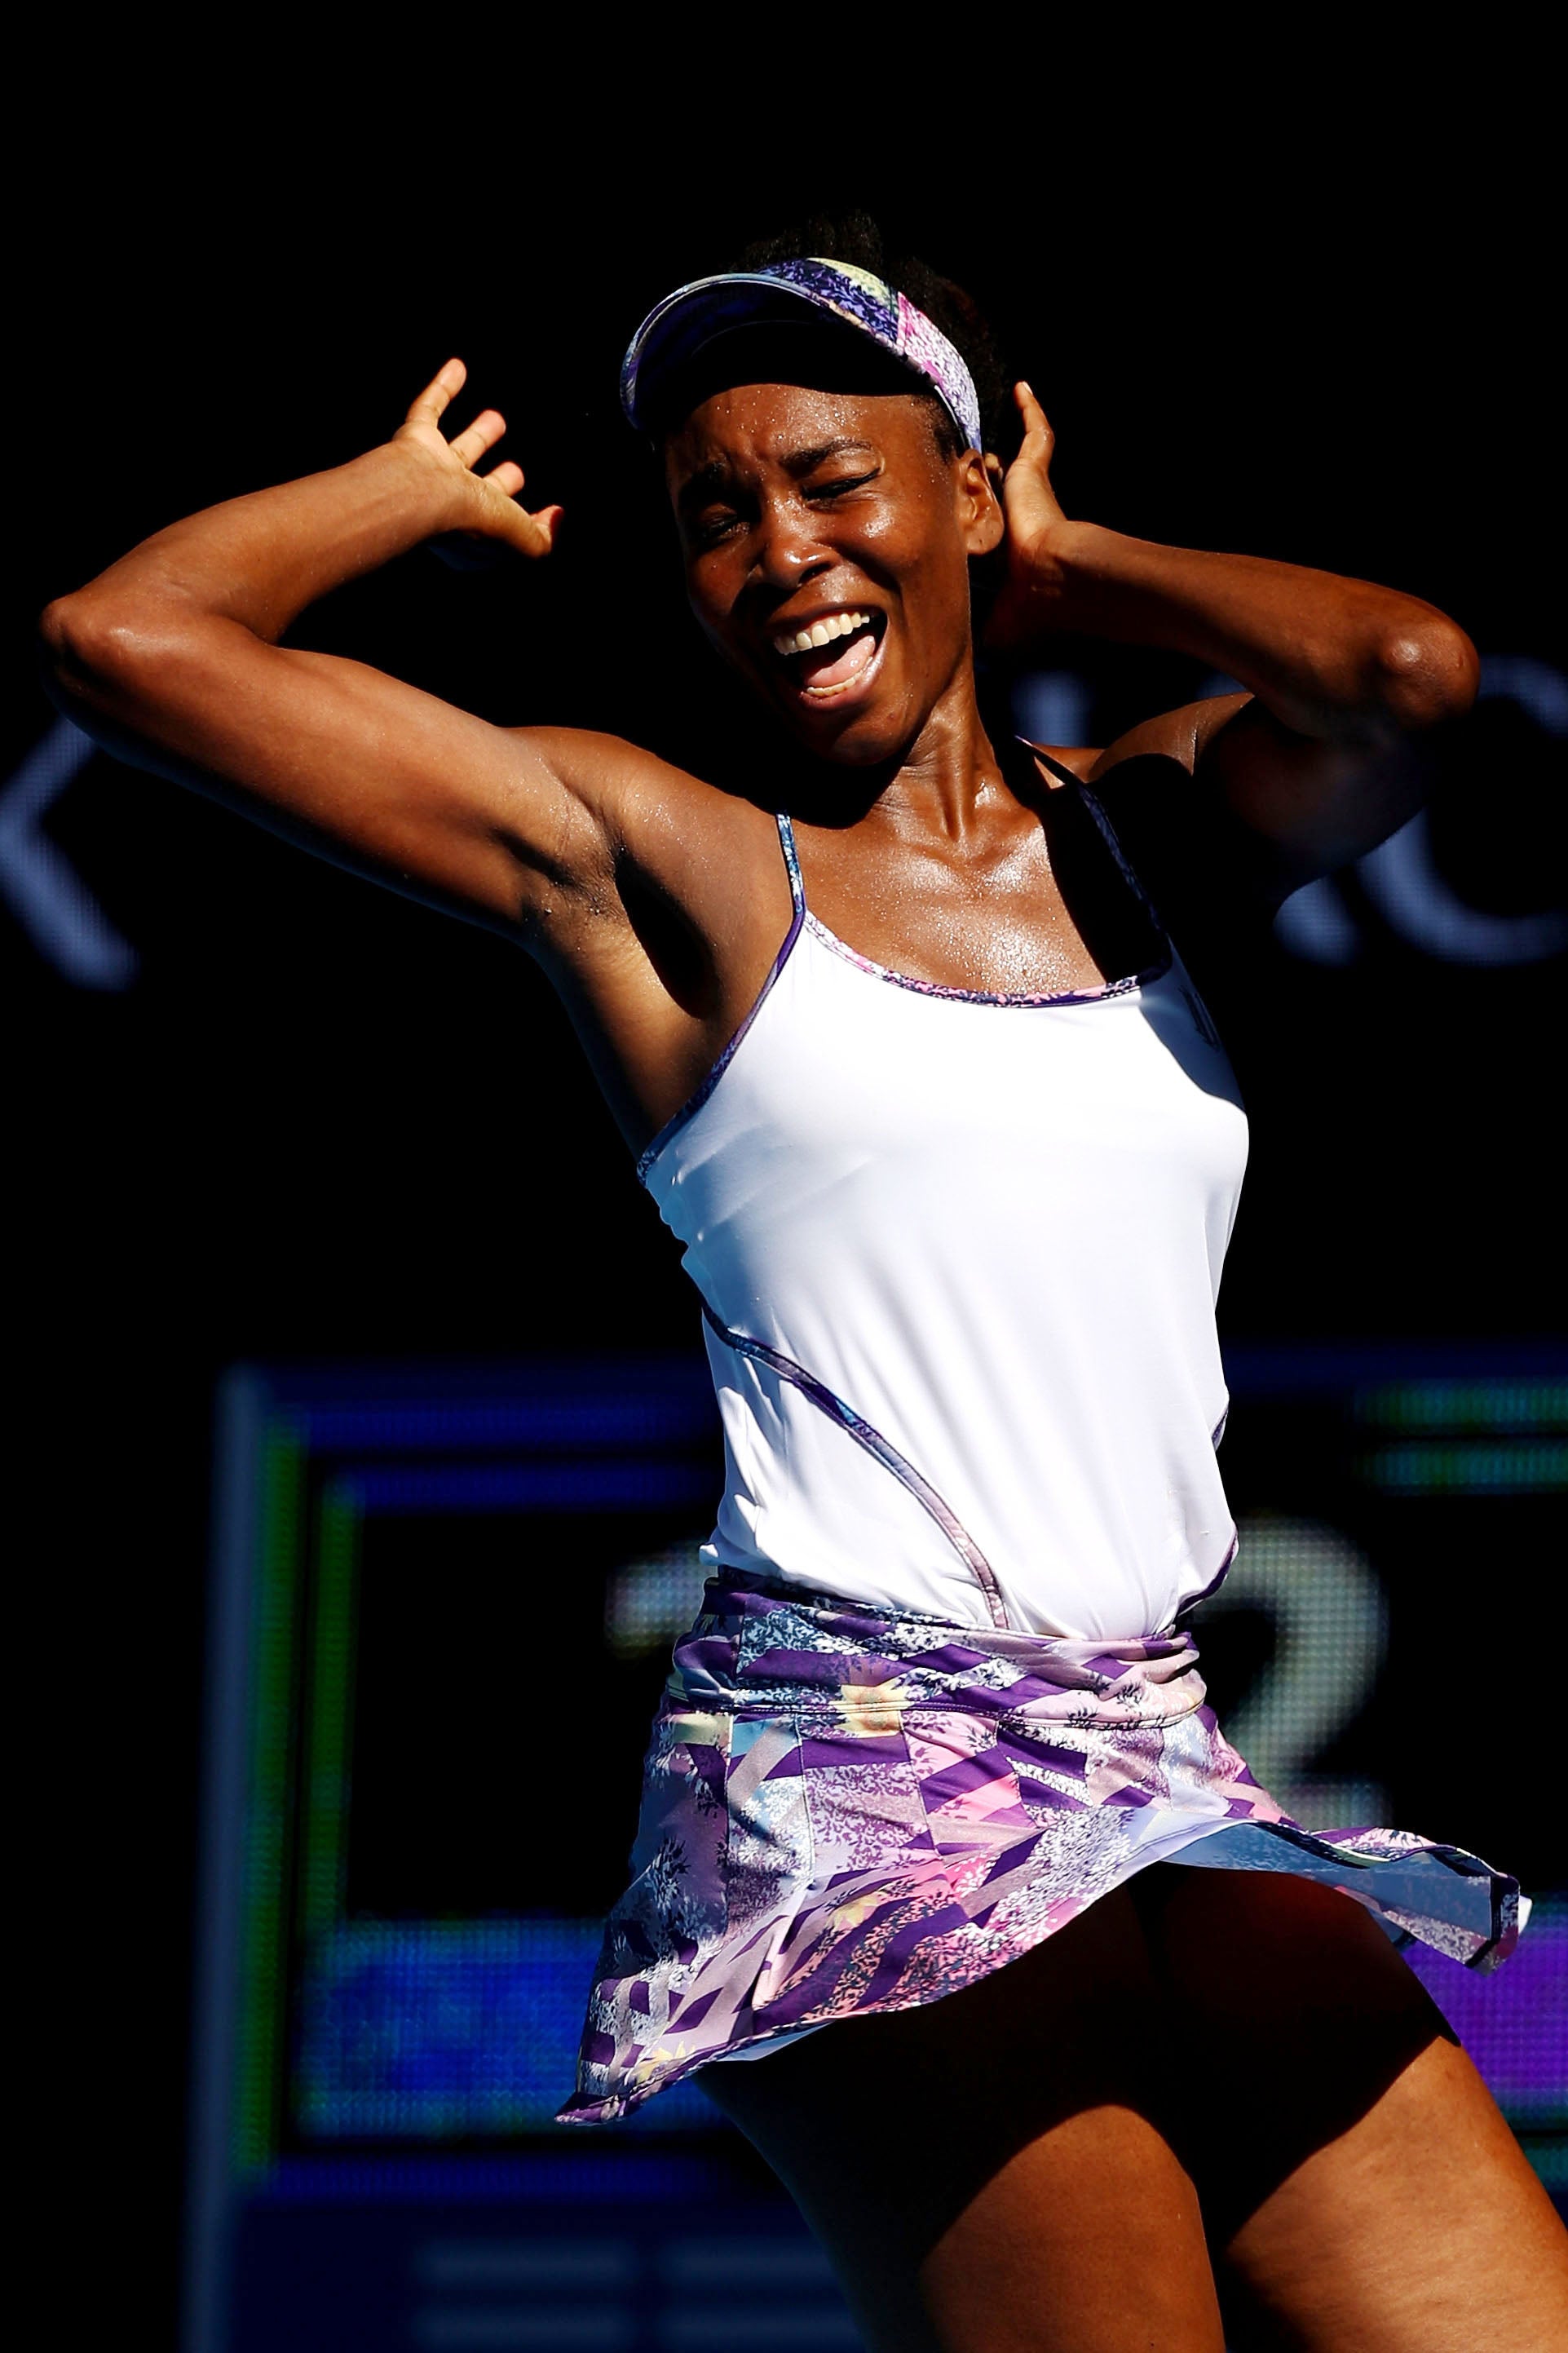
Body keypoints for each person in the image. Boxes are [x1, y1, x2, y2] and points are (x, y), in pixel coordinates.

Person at [42, 217, 1568, 2351]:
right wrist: (396, 497)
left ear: (960, 489)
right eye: (710, 513)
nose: (774, 548)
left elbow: (1400, 678)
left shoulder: (1139, 838)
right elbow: (127, 643)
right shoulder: (661, 860)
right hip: (847, 1781)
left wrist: (1074, 555)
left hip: (1153, 1751)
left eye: (834, 480)